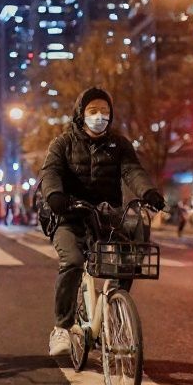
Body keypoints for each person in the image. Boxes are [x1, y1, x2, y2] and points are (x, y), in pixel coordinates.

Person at [38, 86, 165, 357]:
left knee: (130, 255)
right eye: (93, 111)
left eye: (105, 111)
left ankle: (114, 307)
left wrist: (148, 192)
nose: (99, 116)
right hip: (69, 215)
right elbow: (51, 173)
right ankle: (61, 327)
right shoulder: (62, 143)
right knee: (73, 261)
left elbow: (132, 171)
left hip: (107, 215)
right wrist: (55, 196)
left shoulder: (119, 144)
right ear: (80, 114)